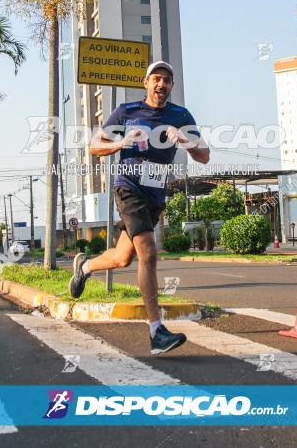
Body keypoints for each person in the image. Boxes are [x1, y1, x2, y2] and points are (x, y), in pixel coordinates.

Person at [70, 61, 209, 355]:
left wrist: (184, 140)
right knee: (148, 252)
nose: (161, 84)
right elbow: (95, 147)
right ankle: (156, 331)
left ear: (172, 86)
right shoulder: (127, 112)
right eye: (156, 79)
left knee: (123, 259)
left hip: (155, 195)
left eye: (167, 80)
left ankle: (84, 267)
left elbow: (204, 156)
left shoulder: (181, 116)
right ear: (146, 83)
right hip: (128, 188)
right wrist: (121, 142)